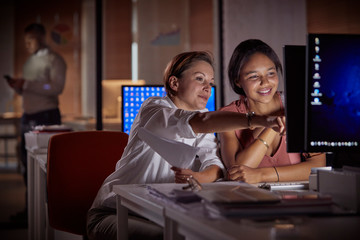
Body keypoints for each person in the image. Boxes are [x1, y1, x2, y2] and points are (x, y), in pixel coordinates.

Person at [87, 51, 285, 240]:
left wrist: (199, 177)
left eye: (210, 82)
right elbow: (202, 121)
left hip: (157, 213)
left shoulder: (202, 121)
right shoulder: (153, 109)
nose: (208, 87)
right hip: (115, 211)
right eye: (200, 79)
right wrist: (261, 120)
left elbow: (215, 166)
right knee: (170, 236)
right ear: (174, 83)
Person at [219, 39, 326, 184]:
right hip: (251, 202)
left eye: (270, 73)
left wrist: (262, 175)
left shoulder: (298, 105)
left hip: (297, 200)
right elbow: (237, 172)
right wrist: (272, 127)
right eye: (254, 76)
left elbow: (318, 165)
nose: (265, 82)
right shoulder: (228, 116)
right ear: (238, 80)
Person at [5, 23, 67, 222]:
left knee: (46, 165)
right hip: (28, 115)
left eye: (30, 39)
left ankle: (49, 213)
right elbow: (33, 88)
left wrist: (28, 84)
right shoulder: (29, 61)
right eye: (25, 41)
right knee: (27, 164)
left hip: (46, 116)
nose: (27, 44)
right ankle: (30, 210)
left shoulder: (55, 59)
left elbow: (56, 87)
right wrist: (19, 87)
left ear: (41, 37)